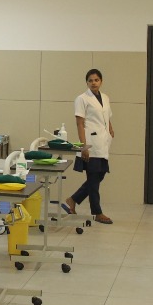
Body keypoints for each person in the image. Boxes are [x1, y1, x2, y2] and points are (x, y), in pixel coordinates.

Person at [62, 68, 114, 224]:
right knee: (93, 179)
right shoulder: (82, 99)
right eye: (90, 80)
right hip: (90, 143)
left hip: (103, 142)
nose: (93, 83)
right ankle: (97, 212)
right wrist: (83, 146)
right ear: (87, 82)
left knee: (100, 175)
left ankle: (73, 199)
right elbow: (79, 123)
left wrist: (111, 129)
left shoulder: (105, 97)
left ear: (101, 81)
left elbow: (107, 116)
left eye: (96, 80)